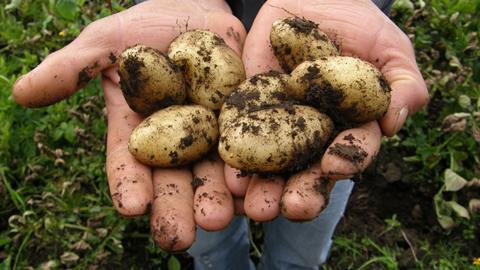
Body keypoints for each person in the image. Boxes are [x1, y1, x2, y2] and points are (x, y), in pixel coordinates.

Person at [12, 0, 428, 269]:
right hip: (211, 31)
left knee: (317, 195)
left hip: (317, 106)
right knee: (208, 226)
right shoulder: (211, 109)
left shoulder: (299, 90)